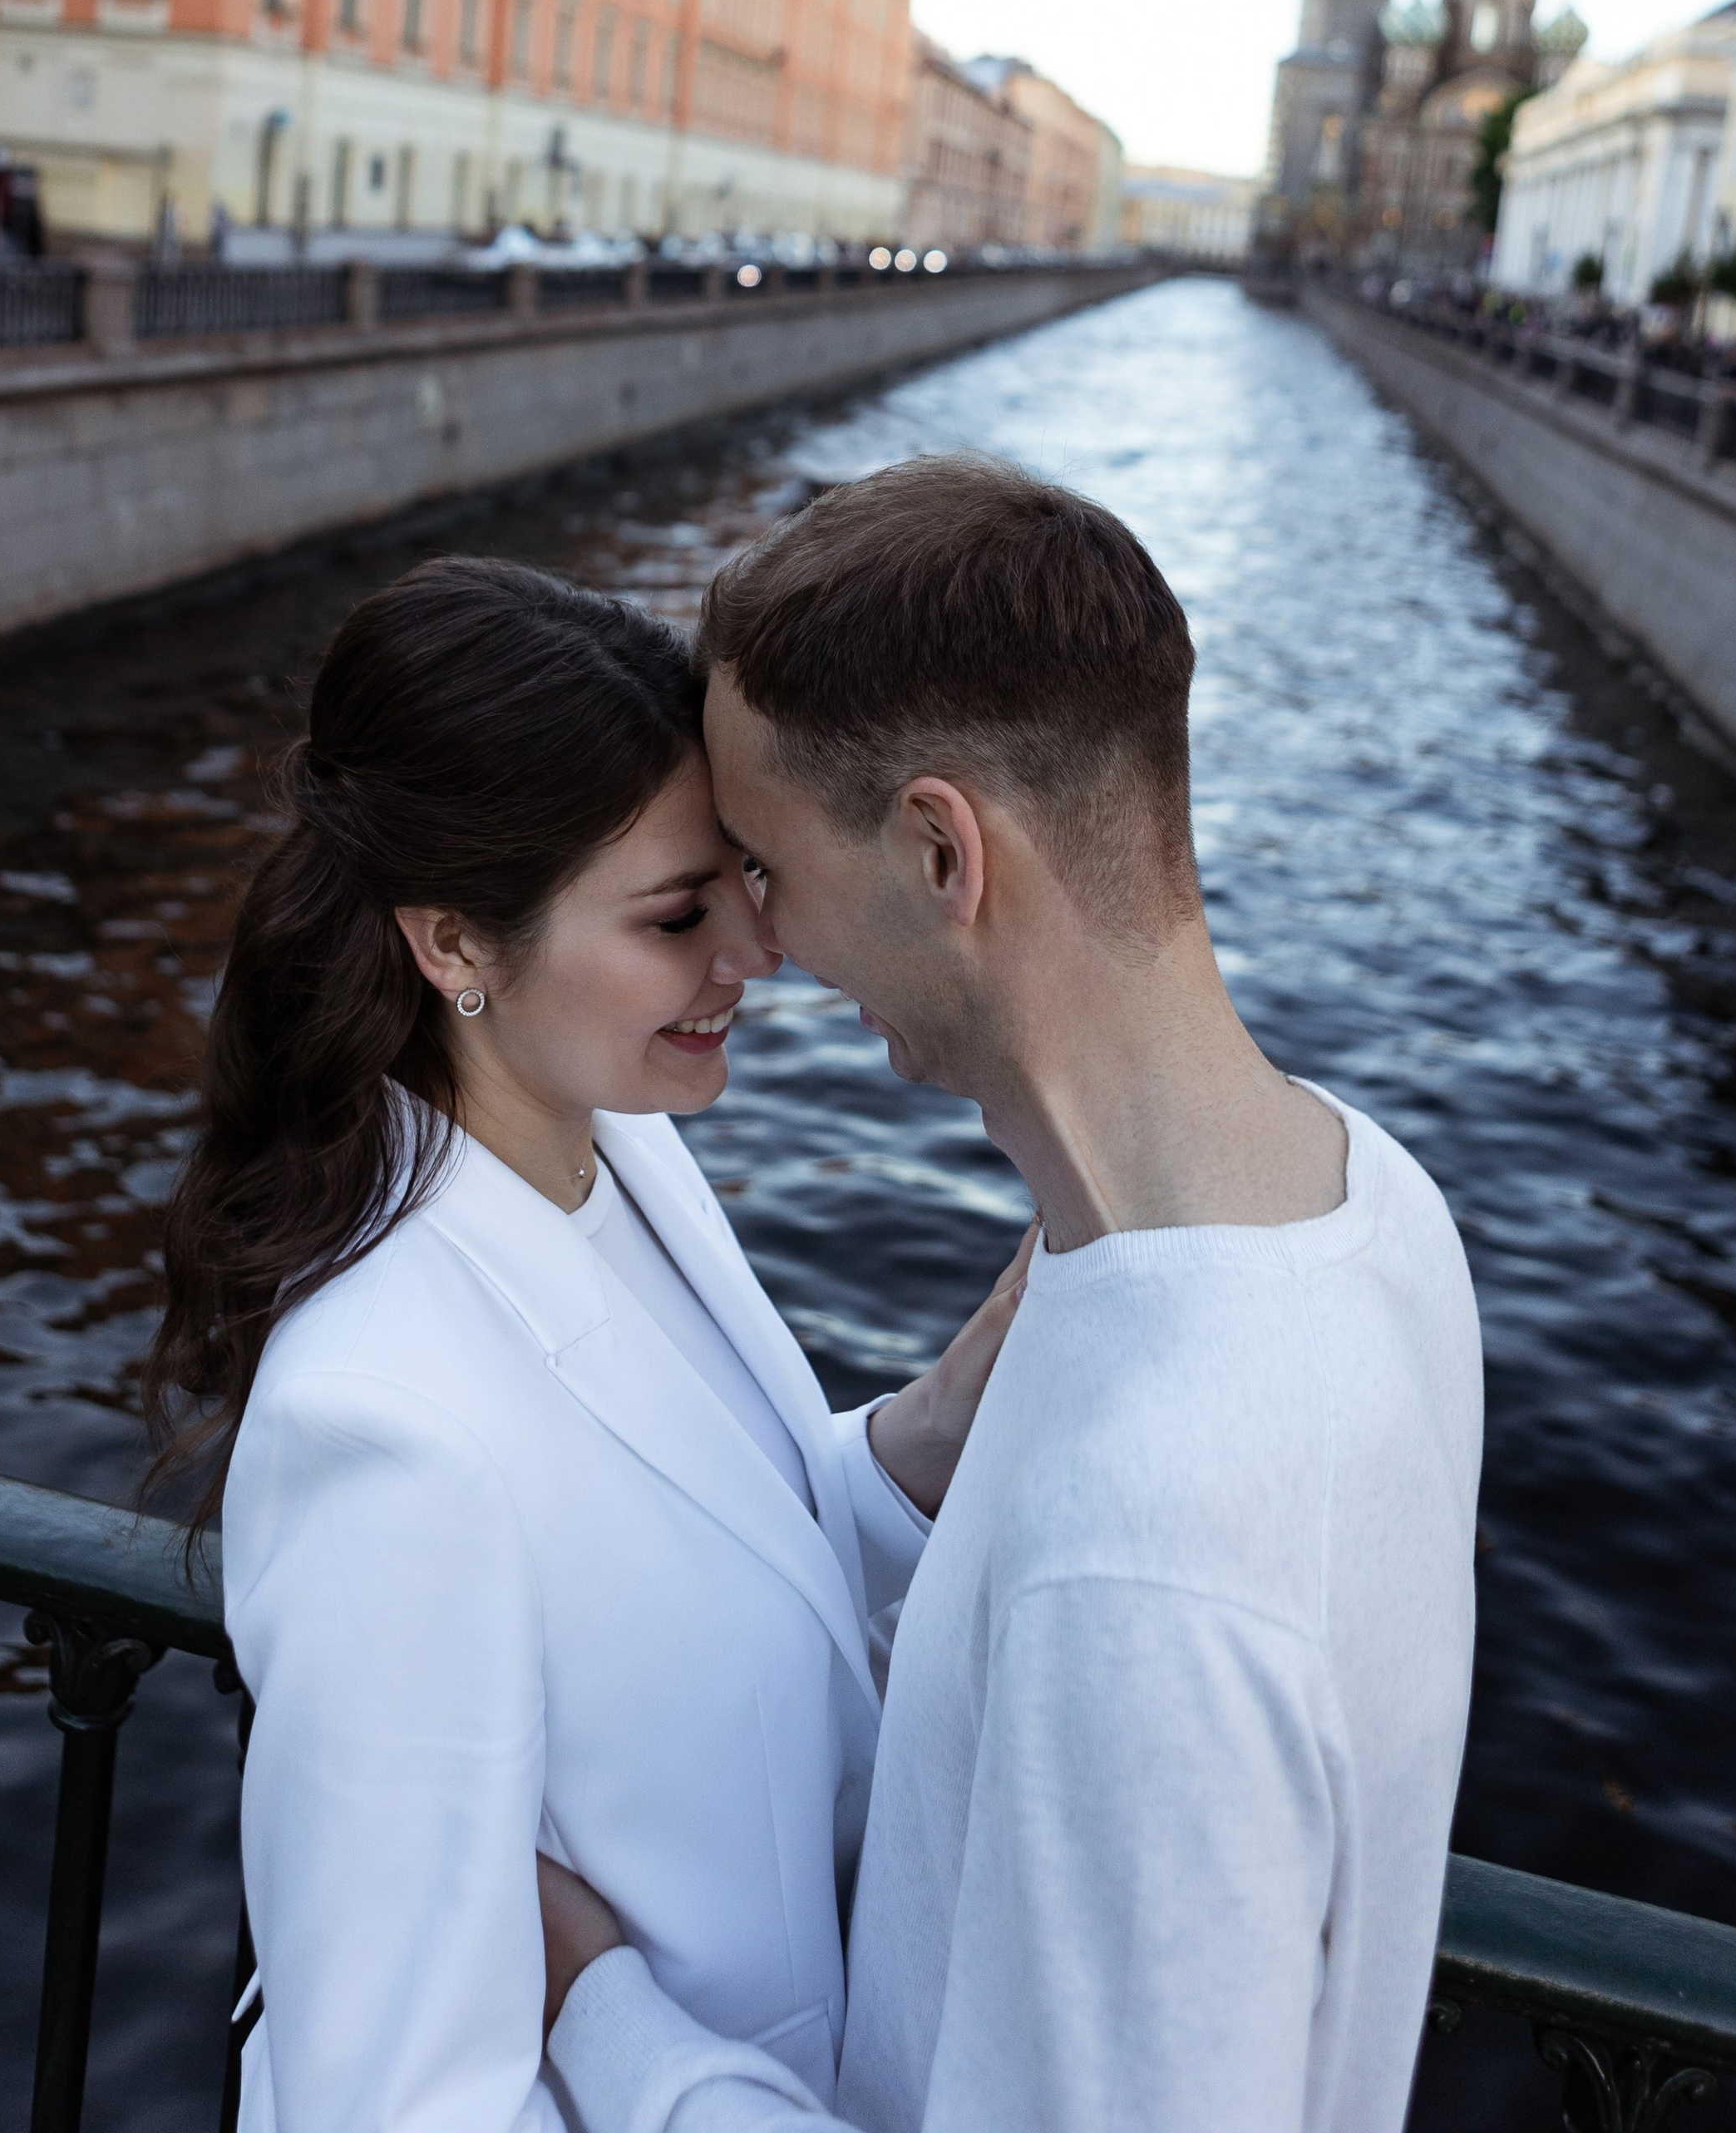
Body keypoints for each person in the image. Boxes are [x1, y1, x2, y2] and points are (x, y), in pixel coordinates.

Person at [541, 455, 1484, 2133]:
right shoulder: (1368, 1200)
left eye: (759, 863)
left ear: (934, 854)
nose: (749, 945)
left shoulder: (1144, 1557)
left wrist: (604, 2019)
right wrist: (935, 1438)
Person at [143, 555, 1029, 2133]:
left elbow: (713, 1544)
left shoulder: (621, 1154)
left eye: (740, 878)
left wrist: (937, 1423)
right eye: (677, 913)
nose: (754, 952)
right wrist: (639, 2051)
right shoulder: (384, 1427)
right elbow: (391, 2103)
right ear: (454, 945)